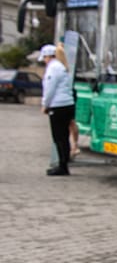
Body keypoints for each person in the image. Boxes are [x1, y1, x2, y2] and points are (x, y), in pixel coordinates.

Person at [39, 44, 75, 176]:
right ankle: (64, 163)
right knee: (64, 136)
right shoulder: (61, 66)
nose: (44, 61)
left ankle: (62, 166)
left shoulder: (53, 68)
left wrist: (45, 104)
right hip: (68, 104)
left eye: (44, 58)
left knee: (58, 137)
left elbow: (50, 89)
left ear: (48, 56)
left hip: (58, 105)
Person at [55, 43, 81, 158]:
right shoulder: (67, 65)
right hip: (70, 95)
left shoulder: (58, 67)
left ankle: (71, 147)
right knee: (71, 122)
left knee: (66, 124)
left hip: (63, 97)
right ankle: (74, 146)